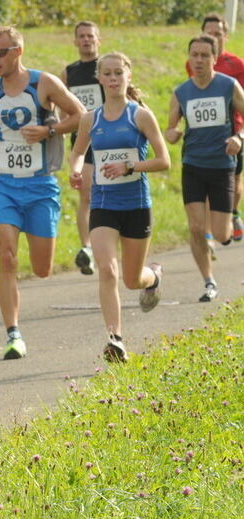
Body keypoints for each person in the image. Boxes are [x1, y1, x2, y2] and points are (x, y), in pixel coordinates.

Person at [0, 26, 84, 360]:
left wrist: (50, 129)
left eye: (0, 53)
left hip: (40, 185)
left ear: (17, 51)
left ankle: (17, 324)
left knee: (42, 268)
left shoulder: (44, 83)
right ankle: (13, 333)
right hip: (3, 184)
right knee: (6, 256)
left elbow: (80, 116)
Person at [69, 51, 170, 362]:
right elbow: (77, 153)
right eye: (107, 74)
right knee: (107, 269)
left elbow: (164, 161)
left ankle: (153, 277)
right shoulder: (90, 119)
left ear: (128, 77)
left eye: (118, 74)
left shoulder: (140, 115)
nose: (113, 79)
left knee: (131, 279)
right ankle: (115, 339)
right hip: (103, 204)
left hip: (137, 205)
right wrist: (74, 170)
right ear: (99, 78)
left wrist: (131, 167)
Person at [167, 35, 244, 302]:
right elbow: (170, 127)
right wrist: (172, 133)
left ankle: (222, 231)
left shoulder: (228, 85)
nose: (198, 60)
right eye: (194, 55)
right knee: (196, 228)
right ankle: (209, 281)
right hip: (193, 165)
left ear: (214, 58)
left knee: (223, 235)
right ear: (189, 58)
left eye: (204, 55)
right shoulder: (181, 92)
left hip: (222, 166)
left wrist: (239, 137)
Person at [185, 13, 244, 244]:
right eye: (209, 33)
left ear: (225, 36)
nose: (213, 37)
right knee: (207, 182)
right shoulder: (194, 63)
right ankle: (209, 233)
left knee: (235, 184)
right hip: (204, 134)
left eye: (217, 33)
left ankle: (234, 211)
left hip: (234, 132)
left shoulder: (237, 65)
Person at [60, 20, 105, 275]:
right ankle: (86, 248)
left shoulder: (107, 68)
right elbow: (59, 104)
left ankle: (109, 243)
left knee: (109, 197)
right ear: (75, 41)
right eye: (82, 36)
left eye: (90, 35)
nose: (86, 40)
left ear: (98, 40)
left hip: (109, 140)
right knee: (86, 194)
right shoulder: (69, 72)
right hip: (83, 142)